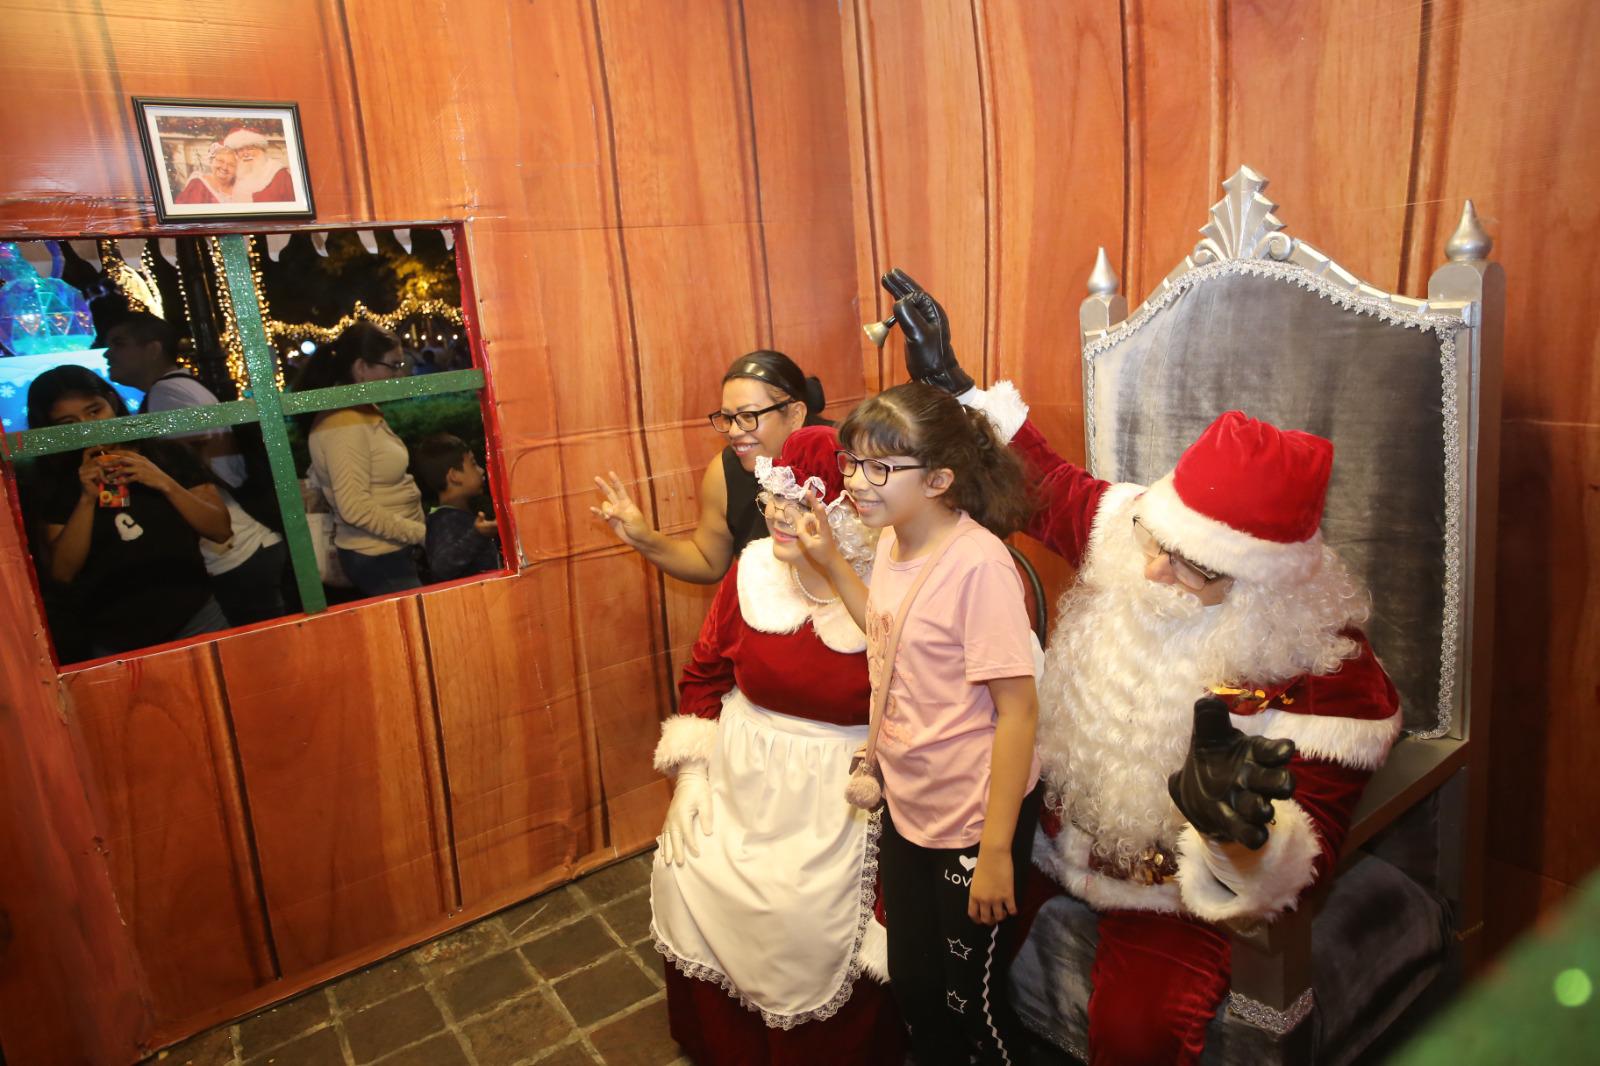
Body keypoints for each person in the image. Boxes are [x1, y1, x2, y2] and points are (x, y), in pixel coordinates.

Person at [885, 269, 1402, 1065]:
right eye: (1157, 545)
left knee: (1137, 1035)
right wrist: (952, 383)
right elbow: (1045, 482)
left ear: (1262, 583)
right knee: (921, 938)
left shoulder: (1324, 664)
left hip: (1169, 897)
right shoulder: (1143, 538)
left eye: (1195, 569)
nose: (1156, 572)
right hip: (1051, 832)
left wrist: (1244, 836)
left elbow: (1313, 838)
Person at [797, 383, 1043, 1066]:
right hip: (911, 802)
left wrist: (995, 853)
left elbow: (1019, 712)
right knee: (915, 986)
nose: (855, 481)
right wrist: (829, 563)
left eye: (880, 468)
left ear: (938, 480)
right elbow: (885, 630)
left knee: (974, 1005)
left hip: (973, 817)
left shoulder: (979, 568)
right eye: (851, 463)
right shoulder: (894, 540)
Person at [649, 425, 902, 1065]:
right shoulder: (753, 570)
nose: (779, 517)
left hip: (836, 802)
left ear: (846, 510)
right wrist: (691, 778)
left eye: (801, 502)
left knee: (800, 922)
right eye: (773, 499)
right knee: (687, 870)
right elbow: (704, 675)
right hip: (740, 782)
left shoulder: (892, 589)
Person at [25, 366, 232, 656]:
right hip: (114, 638)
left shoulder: (164, 455)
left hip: (195, 616)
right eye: (69, 422)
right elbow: (62, 572)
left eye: (94, 411)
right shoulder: (58, 482)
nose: (88, 427)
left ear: (112, 401)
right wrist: (86, 499)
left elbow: (220, 529)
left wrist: (162, 481)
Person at [103, 312, 289, 625]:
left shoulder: (167, 394)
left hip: (233, 552)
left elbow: (203, 469)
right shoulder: (177, 388)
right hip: (245, 546)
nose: (108, 353)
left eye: (119, 343)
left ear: (153, 349)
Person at [591, 350, 827, 583]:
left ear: (796, 415)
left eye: (748, 416)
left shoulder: (845, 462)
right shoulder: (725, 472)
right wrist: (644, 538)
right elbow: (707, 561)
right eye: (728, 418)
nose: (734, 432)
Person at [295, 322, 424, 595]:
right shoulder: (343, 422)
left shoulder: (358, 411)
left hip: (389, 551)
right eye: (393, 365)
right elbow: (354, 507)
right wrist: (422, 534)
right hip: (379, 557)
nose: (398, 375)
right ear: (361, 368)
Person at [411, 433, 502, 582]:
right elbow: (442, 567)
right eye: (473, 464)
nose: (481, 470)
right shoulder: (443, 521)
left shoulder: (457, 516)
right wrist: (478, 535)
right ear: (454, 476)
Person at [224, 127, 295, 203]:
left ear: (261, 150)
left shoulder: (280, 174)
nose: (245, 154)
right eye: (240, 150)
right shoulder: (235, 174)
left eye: (250, 148)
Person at [174, 143, 238, 204]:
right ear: (212, 161)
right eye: (220, 161)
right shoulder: (198, 184)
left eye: (231, 165)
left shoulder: (240, 188)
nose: (224, 167)